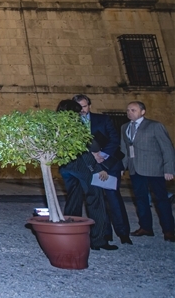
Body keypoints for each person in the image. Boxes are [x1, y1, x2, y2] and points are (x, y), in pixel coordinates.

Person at [56, 99, 117, 250]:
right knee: (96, 201)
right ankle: (98, 240)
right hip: (83, 167)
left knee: (73, 201)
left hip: (66, 168)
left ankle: (70, 235)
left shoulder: (57, 125)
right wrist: (96, 169)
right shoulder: (75, 125)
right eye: (77, 111)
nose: (80, 114)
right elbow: (84, 151)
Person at [73, 94, 131, 245]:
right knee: (97, 201)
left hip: (109, 163)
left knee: (114, 199)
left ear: (89, 106)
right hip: (89, 166)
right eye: (79, 108)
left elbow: (114, 139)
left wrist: (102, 154)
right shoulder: (72, 123)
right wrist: (92, 156)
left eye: (85, 106)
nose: (82, 110)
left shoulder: (103, 119)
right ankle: (104, 234)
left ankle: (123, 233)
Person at [120, 101, 175, 243]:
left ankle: (169, 230)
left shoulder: (155, 126)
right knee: (141, 199)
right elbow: (125, 150)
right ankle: (145, 227)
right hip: (135, 169)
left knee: (161, 200)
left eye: (133, 110)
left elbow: (167, 148)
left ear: (142, 112)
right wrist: (122, 167)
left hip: (154, 169)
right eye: (128, 110)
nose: (129, 112)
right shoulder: (124, 127)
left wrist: (169, 169)